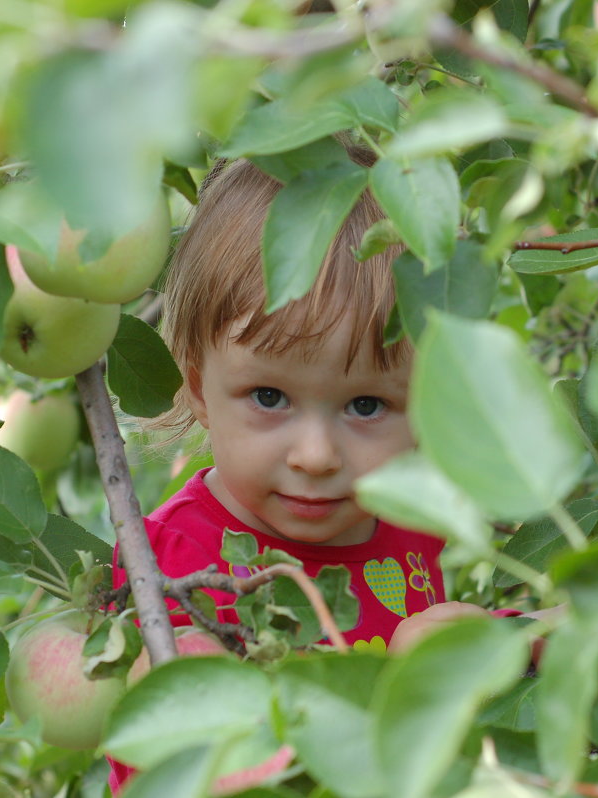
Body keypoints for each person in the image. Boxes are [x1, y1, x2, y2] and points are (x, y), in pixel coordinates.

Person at [106, 147, 479, 794]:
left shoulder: (412, 521)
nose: (316, 455)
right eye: (269, 398)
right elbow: (161, 770)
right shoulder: (170, 563)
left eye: (367, 405)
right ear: (197, 387)